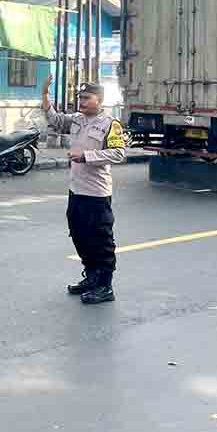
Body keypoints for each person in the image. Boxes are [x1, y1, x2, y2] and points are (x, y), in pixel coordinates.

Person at [43, 74, 126, 305]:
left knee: (101, 240)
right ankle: (91, 277)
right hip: (76, 191)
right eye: (79, 98)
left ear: (99, 100)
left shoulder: (111, 124)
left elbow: (119, 154)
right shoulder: (78, 119)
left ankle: (105, 286)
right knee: (79, 235)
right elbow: (56, 120)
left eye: (86, 98)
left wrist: (87, 156)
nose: (81, 102)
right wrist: (45, 95)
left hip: (97, 193)